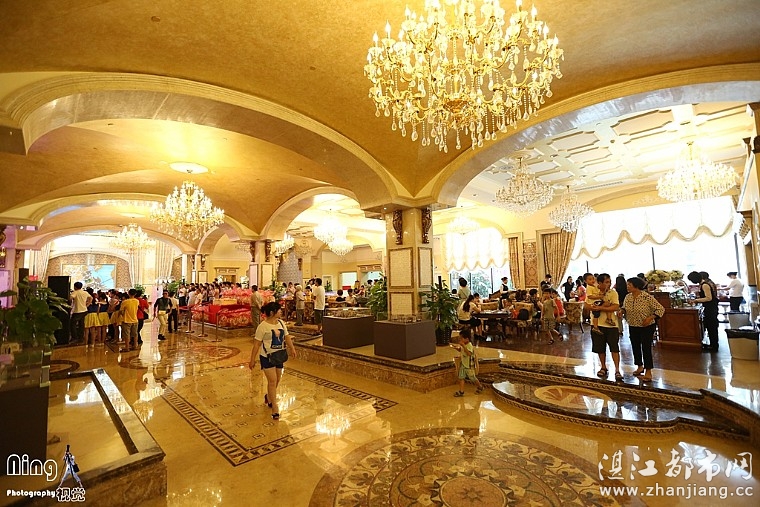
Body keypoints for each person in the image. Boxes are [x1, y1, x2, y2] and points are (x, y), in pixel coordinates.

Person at [248, 302, 297, 420]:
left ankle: (269, 397)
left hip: (279, 355)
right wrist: (252, 359)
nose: (281, 311)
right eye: (279, 310)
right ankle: (275, 407)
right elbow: (257, 344)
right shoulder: (263, 326)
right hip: (267, 356)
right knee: (272, 380)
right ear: (272, 312)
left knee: (277, 379)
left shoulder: (281, 323)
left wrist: (292, 348)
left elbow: (287, 337)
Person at [622, 277, 664, 382]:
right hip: (633, 325)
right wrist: (621, 311)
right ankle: (639, 366)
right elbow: (624, 307)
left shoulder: (646, 297)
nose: (627, 287)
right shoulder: (628, 297)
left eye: (629, 285)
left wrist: (650, 318)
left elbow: (660, 309)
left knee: (646, 347)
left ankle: (648, 370)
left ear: (636, 286)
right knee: (635, 346)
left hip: (646, 326)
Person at [591, 273, 622, 381]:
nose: (609, 284)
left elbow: (615, 306)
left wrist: (600, 308)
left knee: (614, 348)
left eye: (609, 282)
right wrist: (600, 307)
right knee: (600, 348)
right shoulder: (593, 293)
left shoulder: (613, 293)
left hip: (611, 325)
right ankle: (603, 367)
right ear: (600, 283)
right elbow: (587, 306)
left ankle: (617, 369)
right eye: (606, 282)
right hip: (597, 324)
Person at [688, 271, 720, 352]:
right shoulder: (707, 283)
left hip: (710, 308)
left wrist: (696, 300)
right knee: (711, 326)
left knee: (711, 327)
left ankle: (714, 346)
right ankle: (713, 344)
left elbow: (709, 298)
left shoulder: (705, 285)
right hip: (712, 307)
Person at [450, 327, 484, 397]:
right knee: (461, 377)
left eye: (461, 338)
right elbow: (461, 350)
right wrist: (457, 348)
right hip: (463, 364)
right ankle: (461, 391)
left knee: (473, 378)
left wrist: (463, 346)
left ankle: (480, 387)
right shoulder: (464, 345)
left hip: (469, 366)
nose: (460, 340)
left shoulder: (469, 345)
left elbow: (469, 353)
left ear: (467, 339)